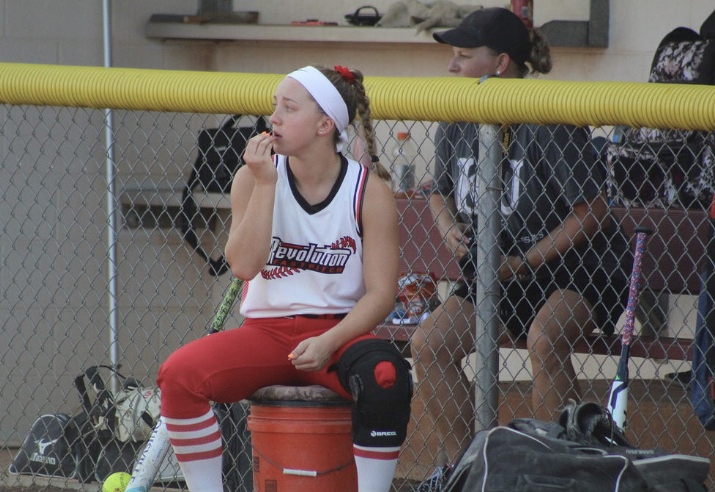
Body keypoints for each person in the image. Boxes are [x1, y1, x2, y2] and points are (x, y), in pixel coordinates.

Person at [157, 64, 413, 492]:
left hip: (339, 333)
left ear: (324, 124)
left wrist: (329, 341)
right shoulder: (253, 178)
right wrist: (264, 185)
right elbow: (243, 266)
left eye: (288, 108)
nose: (273, 117)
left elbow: (382, 294)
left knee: (387, 375)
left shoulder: (368, 190)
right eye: (275, 105)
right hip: (267, 334)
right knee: (179, 376)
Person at [410, 7, 633, 489]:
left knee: (545, 338)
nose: (452, 67)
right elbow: (438, 190)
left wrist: (525, 261)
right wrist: (448, 224)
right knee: (429, 346)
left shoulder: (545, 117)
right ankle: (467, 470)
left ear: (501, 63)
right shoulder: (459, 112)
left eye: (464, 56)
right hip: (500, 267)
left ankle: (563, 472)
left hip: (576, 265)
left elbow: (591, 213)